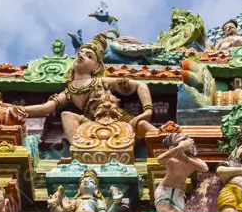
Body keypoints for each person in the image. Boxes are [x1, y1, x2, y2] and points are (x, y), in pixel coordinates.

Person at [25, 32, 157, 144]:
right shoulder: (69, 91)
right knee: (66, 115)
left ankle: (167, 142)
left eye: (89, 56)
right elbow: (46, 108)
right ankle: (78, 149)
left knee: (143, 126)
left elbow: (141, 85)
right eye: (79, 53)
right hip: (94, 124)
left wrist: (147, 110)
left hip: (124, 122)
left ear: (97, 67)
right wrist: (16, 109)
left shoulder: (102, 81)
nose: (81, 56)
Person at [154, 133, 208, 212]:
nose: (184, 138)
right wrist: (180, 148)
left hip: (179, 193)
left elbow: (205, 168)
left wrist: (185, 158)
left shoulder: (193, 161)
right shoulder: (171, 158)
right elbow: (159, 159)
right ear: (172, 146)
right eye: (179, 138)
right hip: (165, 190)